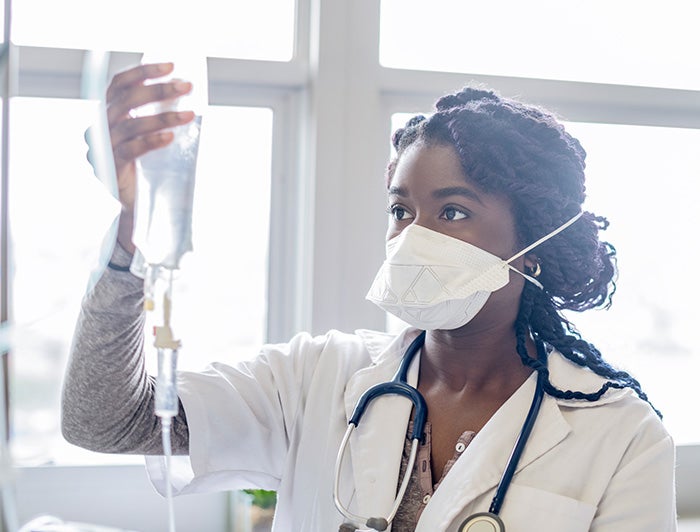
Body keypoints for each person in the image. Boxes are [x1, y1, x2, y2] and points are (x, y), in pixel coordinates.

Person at [62, 63, 677, 532]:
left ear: (535, 243)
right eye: (400, 210)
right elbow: (105, 421)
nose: (414, 237)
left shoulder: (621, 434)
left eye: (453, 210)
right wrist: (132, 236)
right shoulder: (317, 376)